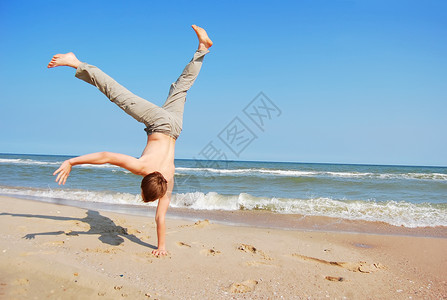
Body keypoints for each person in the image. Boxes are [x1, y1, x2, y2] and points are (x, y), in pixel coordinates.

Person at [48, 25, 213, 256]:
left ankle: (202, 49)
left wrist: (162, 247)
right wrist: (71, 162)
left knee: (181, 87)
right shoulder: (142, 167)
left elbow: (160, 217)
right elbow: (106, 156)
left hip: (175, 128)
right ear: (143, 180)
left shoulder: (169, 180)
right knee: (117, 94)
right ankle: (75, 62)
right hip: (159, 123)